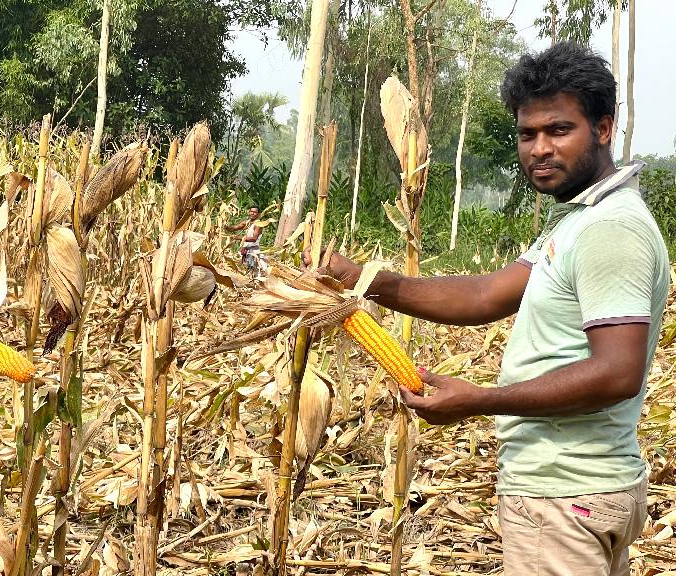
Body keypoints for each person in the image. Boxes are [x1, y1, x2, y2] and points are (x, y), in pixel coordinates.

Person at [321, 43, 667, 575]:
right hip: (573, 490)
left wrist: (482, 400)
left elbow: (616, 372)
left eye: (559, 130)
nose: (540, 149)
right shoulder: (578, 220)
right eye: (528, 134)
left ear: (603, 128)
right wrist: (364, 280)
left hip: (565, 495)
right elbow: (486, 295)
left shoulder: (609, 229)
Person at [225, 205, 263, 274]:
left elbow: (254, 238)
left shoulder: (258, 225)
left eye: (255, 212)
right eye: (251, 211)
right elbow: (234, 228)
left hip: (253, 251)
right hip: (245, 249)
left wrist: (239, 238)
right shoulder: (247, 223)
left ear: (258, 214)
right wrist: (225, 226)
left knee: (250, 270)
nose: (252, 213)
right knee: (241, 269)